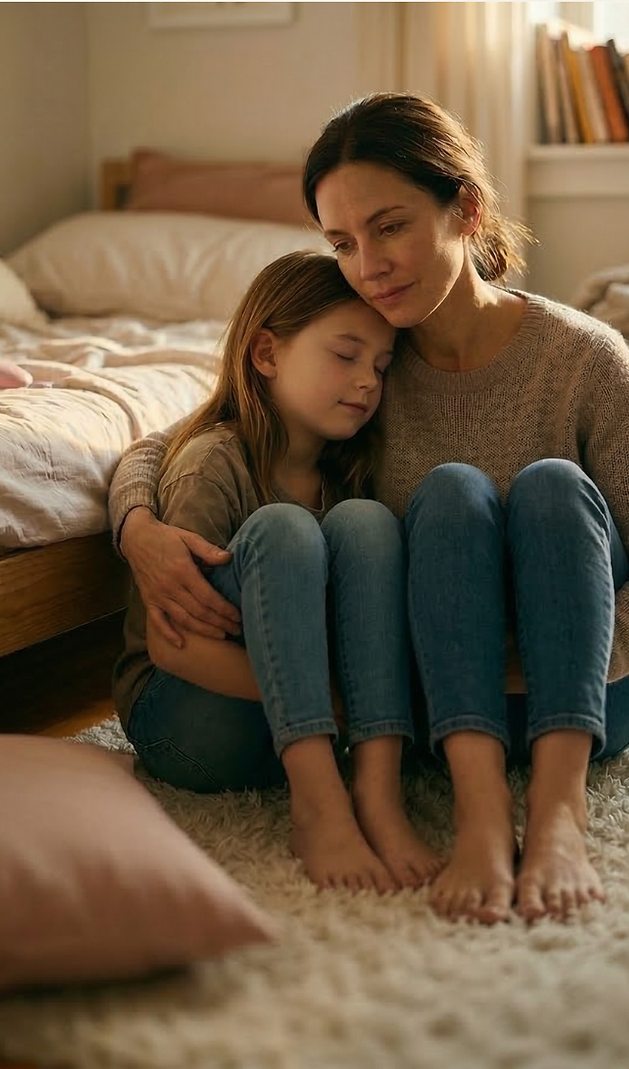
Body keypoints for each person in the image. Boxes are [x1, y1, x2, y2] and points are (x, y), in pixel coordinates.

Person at [113, 94, 629, 926]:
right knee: (454, 492)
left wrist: (538, 663)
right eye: (342, 244)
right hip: (442, 698)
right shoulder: (365, 371)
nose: (368, 266)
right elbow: (193, 431)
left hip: (587, 686)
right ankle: (478, 810)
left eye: (389, 227)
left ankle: (560, 812)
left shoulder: (582, 359)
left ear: (464, 208)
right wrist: (138, 525)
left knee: (551, 487)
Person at [111, 249, 442, 894]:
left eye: (380, 365)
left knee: (369, 523)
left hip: (296, 722)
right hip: (189, 721)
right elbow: (170, 647)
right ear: (266, 354)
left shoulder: (352, 472)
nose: (369, 381)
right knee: (285, 531)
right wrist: (323, 703)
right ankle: (318, 806)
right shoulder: (214, 462)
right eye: (345, 356)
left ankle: (377, 796)